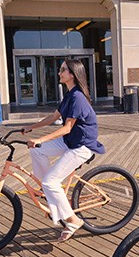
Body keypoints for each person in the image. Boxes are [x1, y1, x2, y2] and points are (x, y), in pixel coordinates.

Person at [22, 58, 105, 242]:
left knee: (51, 181)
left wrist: (39, 139)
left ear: (73, 74)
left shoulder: (77, 98)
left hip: (82, 145)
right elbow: (54, 116)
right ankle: (48, 190)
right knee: (38, 152)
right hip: (70, 141)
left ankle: (73, 221)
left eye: (63, 70)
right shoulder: (69, 94)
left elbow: (67, 127)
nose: (59, 73)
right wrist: (32, 127)